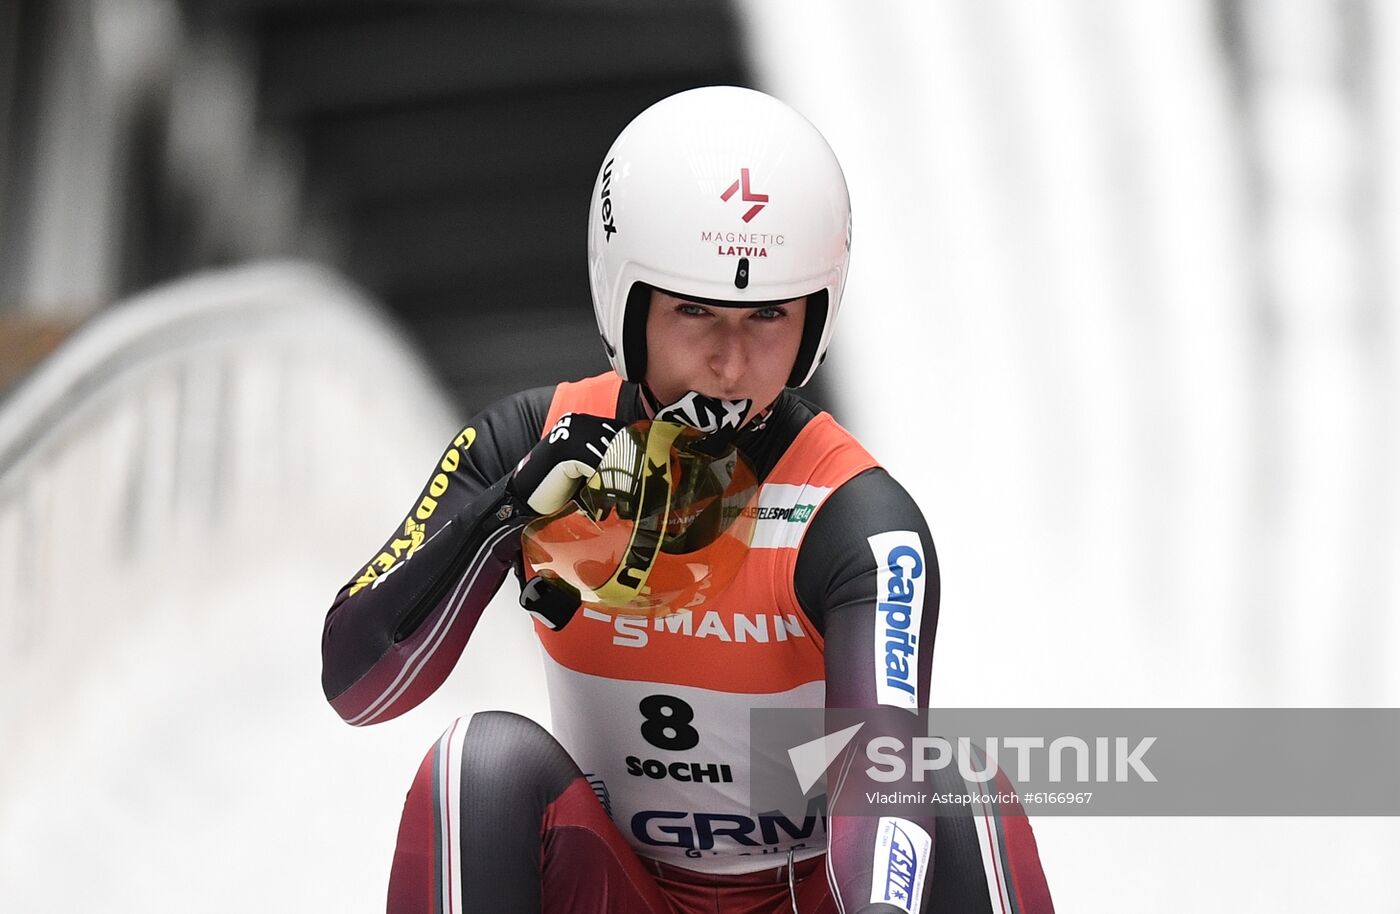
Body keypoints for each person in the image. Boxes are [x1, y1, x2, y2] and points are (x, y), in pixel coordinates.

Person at [320, 86, 1054, 914]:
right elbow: (358, 688)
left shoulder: (858, 520)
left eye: (767, 315)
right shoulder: (527, 442)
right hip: (617, 893)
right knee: (475, 765)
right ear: (626, 305)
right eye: (695, 310)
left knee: (957, 787)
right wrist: (505, 517)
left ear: (814, 321)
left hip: (815, 896)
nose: (730, 365)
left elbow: (882, 798)